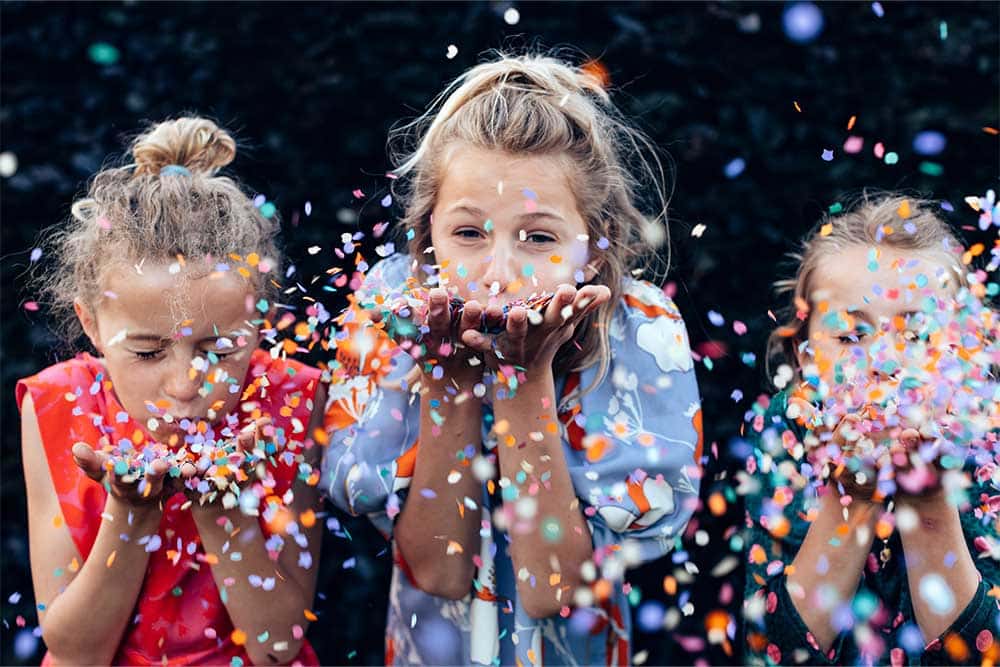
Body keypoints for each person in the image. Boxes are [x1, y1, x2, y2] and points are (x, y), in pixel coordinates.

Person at [322, 52, 703, 666]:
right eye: (469, 233)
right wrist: (448, 380)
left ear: (592, 247)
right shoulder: (391, 309)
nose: (498, 274)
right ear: (429, 236)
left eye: (539, 237)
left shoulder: (640, 329)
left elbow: (554, 592)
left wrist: (524, 381)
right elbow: (439, 574)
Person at [18, 117, 326, 666]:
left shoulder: (293, 399)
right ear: (91, 325)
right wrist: (130, 514)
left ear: (260, 323)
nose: (186, 386)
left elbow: (277, 647)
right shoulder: (56, 403)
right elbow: (75, 652)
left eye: (220, 350)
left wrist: (224, 508)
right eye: (147, 353)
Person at [743, 193, 1000, 665]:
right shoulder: (788, 429)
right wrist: (852, 501)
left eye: (919, 335)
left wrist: (929, 505)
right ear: (805, 360)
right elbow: (773, 653)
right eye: (851, 336)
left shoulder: (989, 437)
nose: (886, 360)